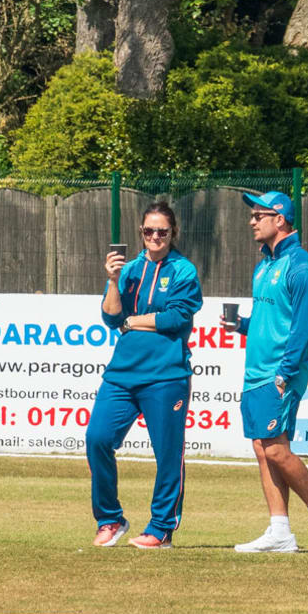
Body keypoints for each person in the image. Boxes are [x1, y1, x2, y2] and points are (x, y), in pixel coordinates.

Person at [230, 191, 308, 554]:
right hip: (255, 371)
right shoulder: (263, 264)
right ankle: (280, 531)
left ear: (280, 220)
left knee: (277, 451)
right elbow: (273, 318)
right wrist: (242, 325)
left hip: (279, 373)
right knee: (263, 450)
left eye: (259, 215)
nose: (252, 220)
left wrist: (284, 373)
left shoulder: (302, 267)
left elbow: (301, 326)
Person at [86, 201, 202, 550]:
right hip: (122, 374)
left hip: (166, 375)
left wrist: (134, 321)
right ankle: (111, 519)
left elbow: (177, 318)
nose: (155, 237)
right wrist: (112, 280)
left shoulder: (184, 271)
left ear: (173, 234)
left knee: (168, 453)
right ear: (141, 232)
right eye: (149, 231)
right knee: (98, 439)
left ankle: (162, 528)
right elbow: (109, 317)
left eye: (162, 232)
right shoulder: (130, 268)